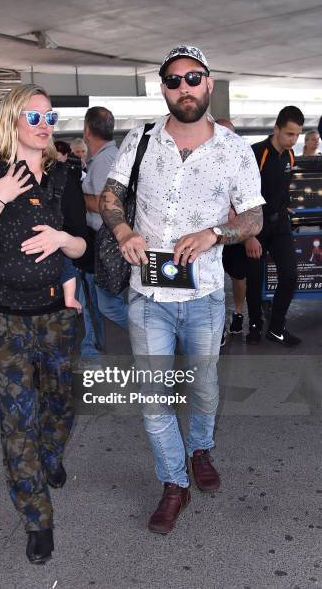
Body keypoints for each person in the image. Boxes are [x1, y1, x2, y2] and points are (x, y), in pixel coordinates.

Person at [100, 45, 264, 534]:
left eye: (193, 78)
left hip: (207, 293)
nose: (184, 88)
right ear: (163, 88)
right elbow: (111, 195)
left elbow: (253, 215)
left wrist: (215, 233)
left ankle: (201, 448)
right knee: (154, 400)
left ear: (209, 83)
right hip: (148, 295)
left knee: (204, 386)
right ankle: (174, 483)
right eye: (173, 81)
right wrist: (123, 231)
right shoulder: (143, 139)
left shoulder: (233, 148)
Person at [0, 84, 87, 564]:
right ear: (12, 120)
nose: (45, 125)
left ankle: (50, 456)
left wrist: (61, 238)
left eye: (49, 117)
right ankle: (37, 519)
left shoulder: (65, 176)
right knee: (18, 419)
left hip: (57, 318)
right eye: (34, 118)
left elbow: (83, 249)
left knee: (59, 406)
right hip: (6, 323)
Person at [245, 106, 304, 346]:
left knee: (290, 276)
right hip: (255, 229)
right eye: (289, 134)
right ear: (276, 129)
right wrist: (248, 235)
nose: (294, 140)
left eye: (297, 135)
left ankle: (276, 328)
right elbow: (242, 196)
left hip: (280, 226)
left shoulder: (290, 156)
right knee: (255, 279)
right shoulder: (256, 153)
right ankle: (255, 325)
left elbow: (282, 187)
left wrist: (285, 205)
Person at [76, 106, 128, 370]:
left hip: (105, 241)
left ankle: (154, 337)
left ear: (87, 130)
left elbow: (108, 204)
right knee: (93, 300)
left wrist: (76, 198)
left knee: (108, 303)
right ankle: (91, 349)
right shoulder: (104, 159)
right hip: (100, 242)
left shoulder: (106, 161)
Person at [216, 119, 247, 342]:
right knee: (214, 280)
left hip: (235, 233)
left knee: (238, 275)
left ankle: (238, 312)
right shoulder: (204, 159)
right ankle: (219, 326)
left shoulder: (242, 161)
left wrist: (250, 235)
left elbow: (252, 203)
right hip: (209, 234)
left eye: (231, 134)